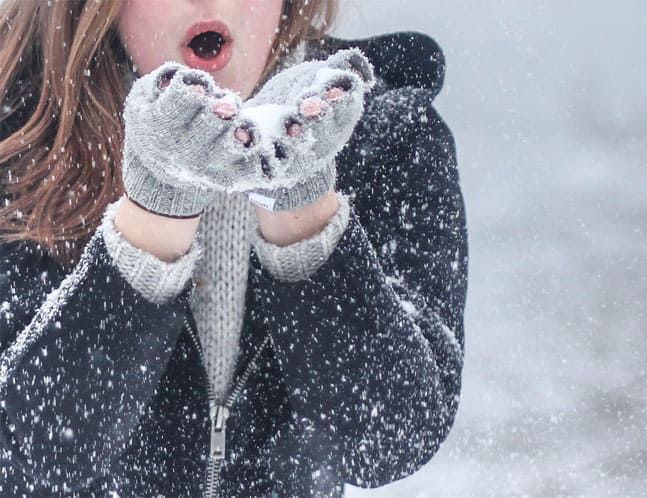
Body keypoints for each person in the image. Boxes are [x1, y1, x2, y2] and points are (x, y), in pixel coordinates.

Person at [0, 0, 467, 496]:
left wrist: (304, 209)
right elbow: (29, 451)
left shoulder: (385, 137)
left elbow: (388, 441)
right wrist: (157, 210)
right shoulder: (21, 147)